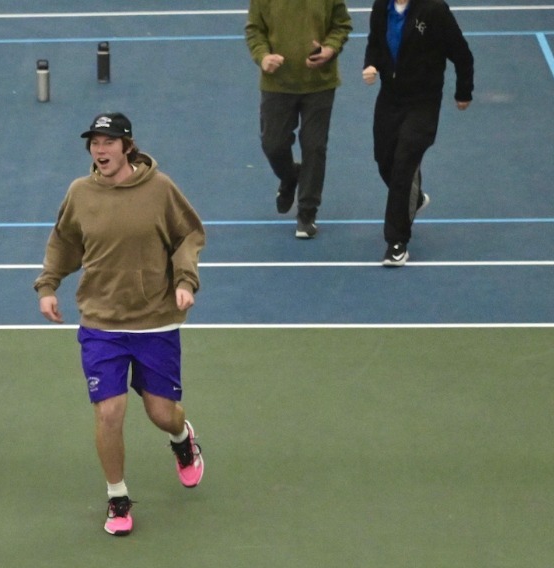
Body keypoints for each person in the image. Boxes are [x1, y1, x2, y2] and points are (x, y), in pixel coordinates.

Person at [35, 113, 208, 538]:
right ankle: (117, 496)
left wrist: (185, 280)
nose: (100, 149)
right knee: (109, 412)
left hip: (154, 322)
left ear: (127, 147)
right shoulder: (80, 193)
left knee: (161, 413)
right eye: (94, 142)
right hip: (101, 321)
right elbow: (64, 241)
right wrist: (48, 285)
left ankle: (182, 438)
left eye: (108, 141)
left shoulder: (160, 189)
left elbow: (190, 234)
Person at [361, 0, 473, 266]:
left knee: (402, 165)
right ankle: (415, 197)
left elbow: (462, 53)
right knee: (384, 160)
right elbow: (375, 42)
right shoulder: (381, 7)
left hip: (423, 101)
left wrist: (463, 91)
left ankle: (396, 242)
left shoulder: (434, 10)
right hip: (389, 97)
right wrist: (371, 65)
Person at [246, 0, 353, 239]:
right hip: (277, 83)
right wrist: (263, 57)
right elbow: (255, 29)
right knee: (273, 144)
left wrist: (330, 49)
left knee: (314, 147)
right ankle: (290, 176)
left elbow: (341, 25)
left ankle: (307, 214)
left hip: (319, 83)